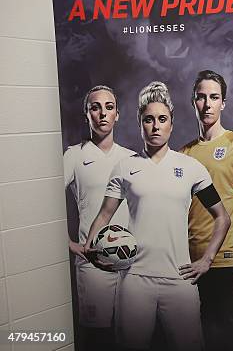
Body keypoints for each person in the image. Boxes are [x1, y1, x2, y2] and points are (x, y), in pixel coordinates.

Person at [83, 81, 231, 351]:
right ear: (140, 124)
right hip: (134, 280)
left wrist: (206, 260)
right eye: (148, 120)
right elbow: (104, 215)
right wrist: (91, 247)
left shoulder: (191, 167)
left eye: (162, 119)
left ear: (171, 124)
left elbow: (222, 217)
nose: (155, 126)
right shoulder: (124, 167)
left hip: (180, 279)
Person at [180, 70, 233, 350]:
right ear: (194, 102)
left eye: (214, 98)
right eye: (202, 97)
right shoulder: (184, 154)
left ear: (223, 103)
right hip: (187, 264)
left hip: (225, 263)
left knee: (223, 339)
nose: (207, 104)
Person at [64, 85, 135, 351]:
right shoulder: (74, 155)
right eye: (95, 107)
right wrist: (71, 244)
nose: (102, 113)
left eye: (109, 107)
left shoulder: (131, 157)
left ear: (118, 114)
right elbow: (44, 204)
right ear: (86, 114)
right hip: (93, 265)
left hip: (131, 266)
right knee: (98, 340)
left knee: (133, 337)